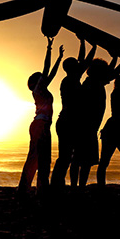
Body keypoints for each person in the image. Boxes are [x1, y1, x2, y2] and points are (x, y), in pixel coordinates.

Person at [70, 52, 120, 188]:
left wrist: (117, 58)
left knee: (82, 160)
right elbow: (112, 73)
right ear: (99, 72)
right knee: (81, 160)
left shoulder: (93, 82)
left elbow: (111, 73)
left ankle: (77, 187)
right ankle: (76, 187)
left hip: (87, 127)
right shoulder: (93, 83)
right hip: (86, 127)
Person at [17, 37, 64, 196]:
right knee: (38, 159)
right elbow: (46, 68)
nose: (44, 78)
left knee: (39, 158)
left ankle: (34, 189)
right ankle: (33, 190)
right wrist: (49, 49)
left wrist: (59, 58)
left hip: (42, 125)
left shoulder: (41, 89)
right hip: (40, 125)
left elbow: (51, 73)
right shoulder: (38, 90)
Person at [51, 37, 96, 188]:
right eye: (76, 65)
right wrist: (91, 45)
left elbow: (82, 60)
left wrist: (83, 42)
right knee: (65, 157)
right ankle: (57, 185)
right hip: (67, 122)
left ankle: (58, 185)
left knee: (67, 156)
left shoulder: (70, 78)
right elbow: (84, 62)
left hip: (67, 122)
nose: (80, 66)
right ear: (72, 68)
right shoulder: (70, 79)